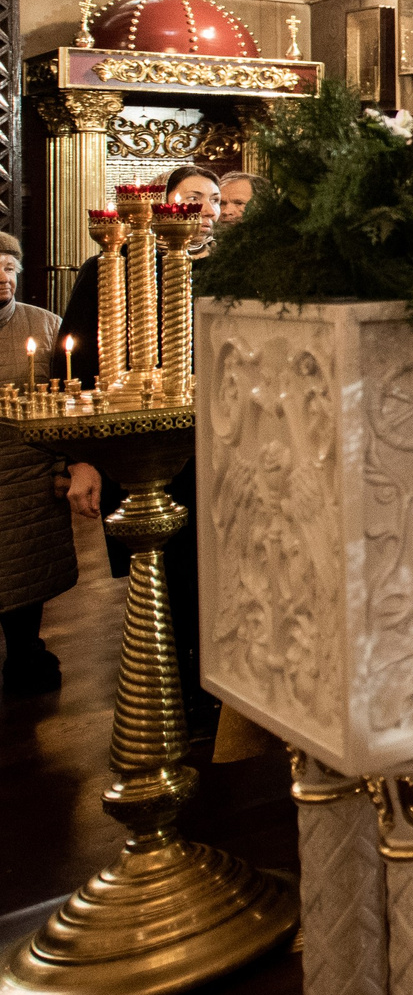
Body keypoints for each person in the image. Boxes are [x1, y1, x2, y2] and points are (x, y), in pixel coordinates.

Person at [53, 165, 223, 729]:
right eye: (194, 197)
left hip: (223, 445)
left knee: (219, 567)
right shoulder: (115, 267)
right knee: (162, 568)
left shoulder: (231, 270)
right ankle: (167, 690)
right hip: (146, 442)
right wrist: (80, 458)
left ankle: (219, 685)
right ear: (166, 205)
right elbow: (72, 366)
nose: (207, 208)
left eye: (216, 199)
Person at [0, 237, 70, 696]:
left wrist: (67, 465)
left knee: (24, 569)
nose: (1, 277)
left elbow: (67, 402)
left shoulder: (43, 326)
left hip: (25, 471)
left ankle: (25, 654)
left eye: (9, 266)